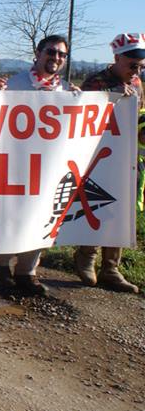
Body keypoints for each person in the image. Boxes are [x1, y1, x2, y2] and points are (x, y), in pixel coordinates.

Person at [0, 34, 77, 296]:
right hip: (17, 163)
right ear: (38, 53)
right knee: (17, 217)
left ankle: (27, 272)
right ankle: (0, 259)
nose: (56, 58)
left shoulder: (68, 90)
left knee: (45, 216)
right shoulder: (15, 84)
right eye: (51, 52)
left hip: (51, 165)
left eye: (61, 54)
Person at [72, 32, 144, 293]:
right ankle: (86, 255)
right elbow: (85, 111)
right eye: (132, 64)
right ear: (117, 58)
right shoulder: (96, 81)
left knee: (121, 211)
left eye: (140, 66)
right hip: (99, 157)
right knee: (97, 205)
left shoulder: (137, 84)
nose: (136, 70)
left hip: (127, 157)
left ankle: (111, 267)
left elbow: (137, 118)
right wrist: (112, 95)